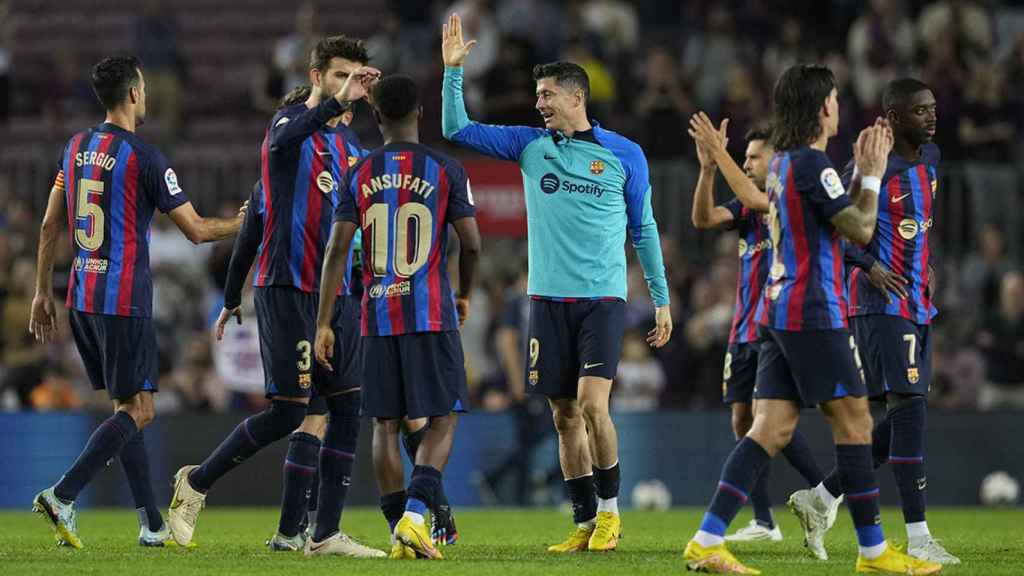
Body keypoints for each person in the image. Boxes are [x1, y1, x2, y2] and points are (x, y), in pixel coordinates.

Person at [683, 64, 941, 575]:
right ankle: (873, 553)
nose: (840, 106)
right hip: (814, 310)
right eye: (837, 98)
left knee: (769, 429)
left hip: (778, 309)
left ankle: (706, 540)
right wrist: (871, 172)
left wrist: (715, 160)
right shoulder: (812, 165)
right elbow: (863, 229)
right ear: (823, 106)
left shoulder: (781, 166)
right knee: (857, 422)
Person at [441, 13, 672, 553]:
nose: (538, 103)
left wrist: (660, 300)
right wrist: (454, 73)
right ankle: (585, 520)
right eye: (536, 95)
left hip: (602, 300)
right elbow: (456, 129)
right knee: (564, 416)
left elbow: (645, 229)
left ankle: (613, 514)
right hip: (545, 301)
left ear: (575, 97)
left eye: (546, 95)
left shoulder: (624, 154)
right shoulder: (529, 145)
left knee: (594, 407)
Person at [166, 37, 385, 558]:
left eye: (356, 77)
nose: (350, 87)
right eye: (339, 76)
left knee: (347, 408)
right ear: (317, 77)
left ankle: (322, 532)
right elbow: (249, 234)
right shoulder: (284, 136)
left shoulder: (352, 152)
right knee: (290, 412)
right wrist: (230, 295)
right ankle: (197, 482)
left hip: (338, 297)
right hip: (287, 290)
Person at [30, 55, 244, 549]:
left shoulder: (75, 148)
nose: (145, 96)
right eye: (143, 88)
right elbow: (196, 231)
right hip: (123, 300)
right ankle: (63, 494)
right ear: (132, 94)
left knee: (127, 407)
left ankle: (151, 524)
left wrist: (44, 291)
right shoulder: (146, 157)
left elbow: (48, 226)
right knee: (142, 411)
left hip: (82, 297)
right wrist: (246, 220)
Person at [792, 78, 959, 565]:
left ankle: (821, 496)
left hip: (916, 299)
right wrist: (868, 265)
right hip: (877, 303)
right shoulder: (870, 167)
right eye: (920, 111)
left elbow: (920, 222)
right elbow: (832, 228)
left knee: (903, 418)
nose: (931, 117)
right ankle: (920, 536)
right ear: (892, 116)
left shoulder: (931, 160)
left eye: (932, 108)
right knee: (910, 408)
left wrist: (924, 263)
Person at [314, 73, 480, 560]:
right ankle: (412, 518)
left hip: (377, 315)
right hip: (430, 312)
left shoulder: (359, 172)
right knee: (443, 416)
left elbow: (337, 249)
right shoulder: (447, 169)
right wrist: (464, 292)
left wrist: (324, 322)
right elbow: (470, 243)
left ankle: (397, 530)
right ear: (421, 114)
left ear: (377, 116)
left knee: (385, 425)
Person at [689, 120, 831, 545]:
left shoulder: (784, 198)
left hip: (778, 326)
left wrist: (721, 152)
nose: (748, 163)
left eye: (754, 156)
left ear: (776, 159)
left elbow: (755, 195)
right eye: (745, 156)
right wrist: (708, 169)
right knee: (743, 420)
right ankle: (766, 520)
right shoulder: (748, 206)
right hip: (742, 328)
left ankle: (828, 489)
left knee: (771, 423)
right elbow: (704, 218)